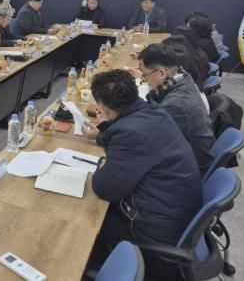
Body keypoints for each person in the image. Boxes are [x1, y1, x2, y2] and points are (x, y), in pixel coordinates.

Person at [82, 70, 201, 277]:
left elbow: (104, 188)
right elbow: (125, 134)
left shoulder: (131, 134)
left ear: (104, 108)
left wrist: (103, 163)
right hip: (174, 214)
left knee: (82, 219)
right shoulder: (153, 111)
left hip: (152, 233)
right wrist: (103, 137)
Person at [137, 44, 215, 172]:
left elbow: (148, 141)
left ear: (162, 73)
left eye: (145, 75)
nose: (144, 79)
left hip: (187, 169)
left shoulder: (176, 105)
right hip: (187, 156)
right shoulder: (182, 78)